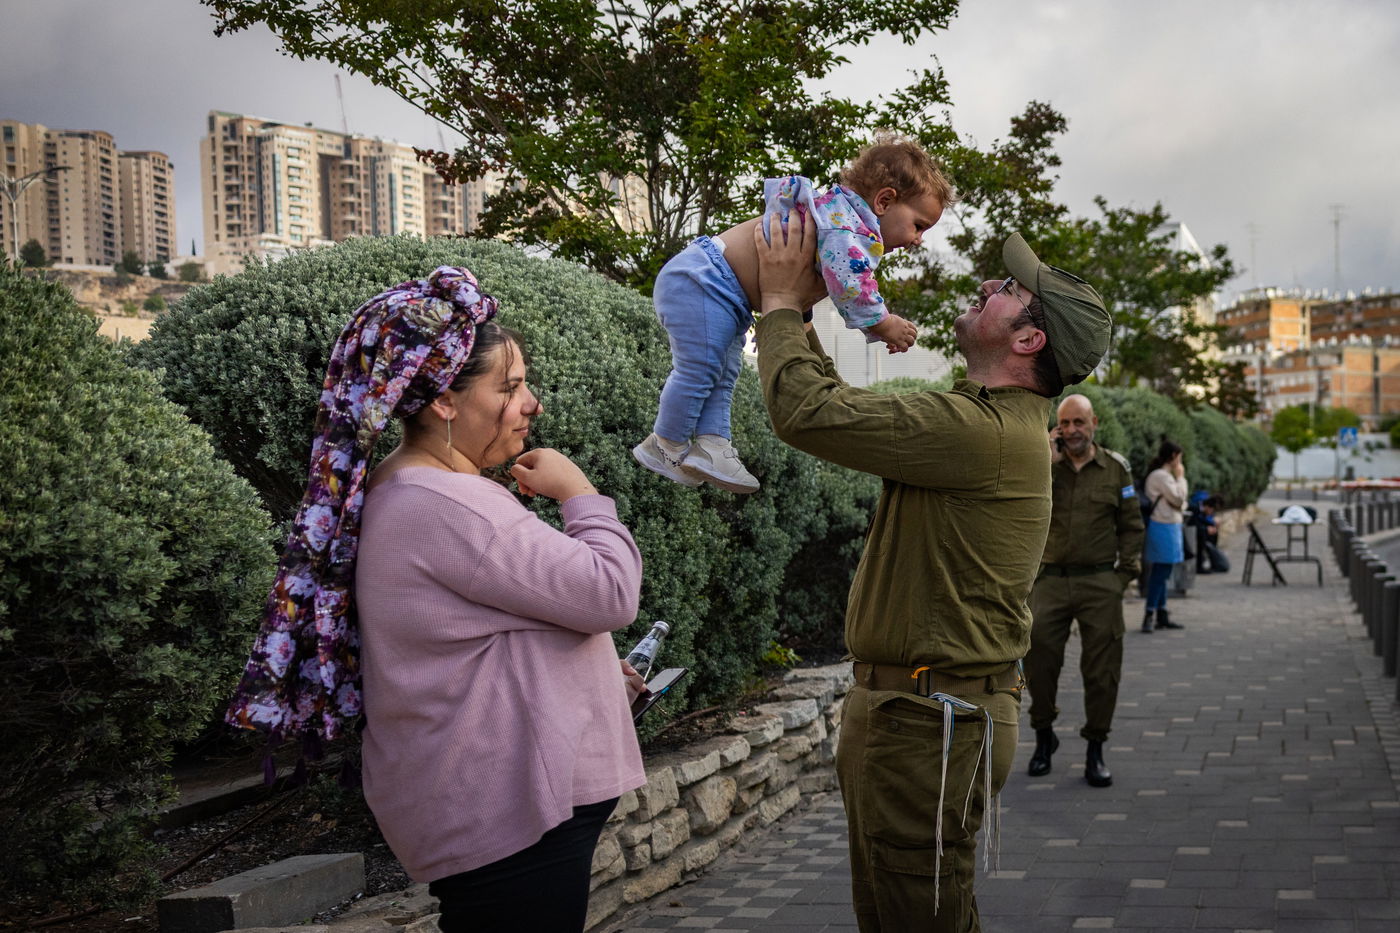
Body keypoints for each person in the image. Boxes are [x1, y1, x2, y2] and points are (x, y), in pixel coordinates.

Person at [224, 267, 647, 932]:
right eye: (509, 388)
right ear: (443, 401)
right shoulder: (450, 503)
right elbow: (611, 591)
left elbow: (476, 638)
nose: (531, 403)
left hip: (490, 808)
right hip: (509, 814)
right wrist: (580, 493)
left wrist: (585, 677)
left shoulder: (407, 490)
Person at [753, 215, 1111, 932]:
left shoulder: (977, 432)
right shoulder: (983, 423)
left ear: (1028, 338)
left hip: (925, 723)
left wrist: (781, 303)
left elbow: (805, 412)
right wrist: (796, 306)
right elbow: (832, 402)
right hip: (918, 714)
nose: (987, 283)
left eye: (1007, 287)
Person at [634, 131, 952, 494]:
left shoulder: (843, 219)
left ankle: (712, 445)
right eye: (919, 225)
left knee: (723, 373)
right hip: (704, 279)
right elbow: (851, 283)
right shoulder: (845, 226)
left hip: (723, 293)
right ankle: (665, 444)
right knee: (702, 368)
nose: (917, 240)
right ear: (884, 200)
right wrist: (884, 323)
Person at [1024, 394, 1144, 788]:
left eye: (1079, 422)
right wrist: (1043, 460)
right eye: (1065, 424)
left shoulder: (1115, 469)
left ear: (1094, 422)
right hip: (1050, 581)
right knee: (1038, 661)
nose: (1072, 431)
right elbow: (1017, 507)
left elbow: (1131, 527)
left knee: (1102, 669)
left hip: (1099, 582)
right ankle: (1044, 738)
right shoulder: (1045, 465)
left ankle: (1096, 748)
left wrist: (1122, 577)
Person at [1142, 439, 1189, 632]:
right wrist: (1181, 478)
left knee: (1163, 572)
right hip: (1164, 527)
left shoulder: (1162, 476)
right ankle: (1150, 613)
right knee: (1161, 572)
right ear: (1173, 456)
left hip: (1167, 526)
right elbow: (1179, 499)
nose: (1180, 461)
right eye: (1179, 456)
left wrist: (1180, 500)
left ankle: (1161, 613)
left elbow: (1181, 503)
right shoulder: (1162, 476)